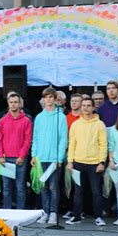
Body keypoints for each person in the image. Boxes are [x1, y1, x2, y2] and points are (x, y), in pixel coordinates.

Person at [66, 98, 108, 226]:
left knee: (96, 191)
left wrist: (102, 162)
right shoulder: (76, 124)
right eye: (83, 105)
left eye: (88, 105)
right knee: (78, 191)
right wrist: (70, 161)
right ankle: (77, 216)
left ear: (93, 107)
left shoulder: (99, 124)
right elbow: (72, 144)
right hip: (78, 162)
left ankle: (99, 217)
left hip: (94, 163)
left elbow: (103, 144)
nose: (85, 108)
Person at [32, 88, 68, 224]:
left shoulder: (61, 117)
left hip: (54, 159)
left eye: (51, 97)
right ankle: (45, 212)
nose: (48, 99)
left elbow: (63, 139)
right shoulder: (39, 117)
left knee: (53, 187)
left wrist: (59, 158)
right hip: (41, 158)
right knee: (44, 187)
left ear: (55, 99)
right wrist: (34, 155)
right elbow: (35, 138)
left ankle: (53, 213)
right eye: (46, 97)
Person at [0, 93, 32, 209]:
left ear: (19, 104)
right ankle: (7, 211)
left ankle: (20, 212)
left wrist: (22, 156)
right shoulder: (2, 121)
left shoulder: (26, 121)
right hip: (6, 159)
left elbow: (27, 140)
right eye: (11, 102)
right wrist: (0, 156)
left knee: (20, 187)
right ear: (8, 103)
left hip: (20, 159)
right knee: (6, 188)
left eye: (15, 102)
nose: (13, 104)